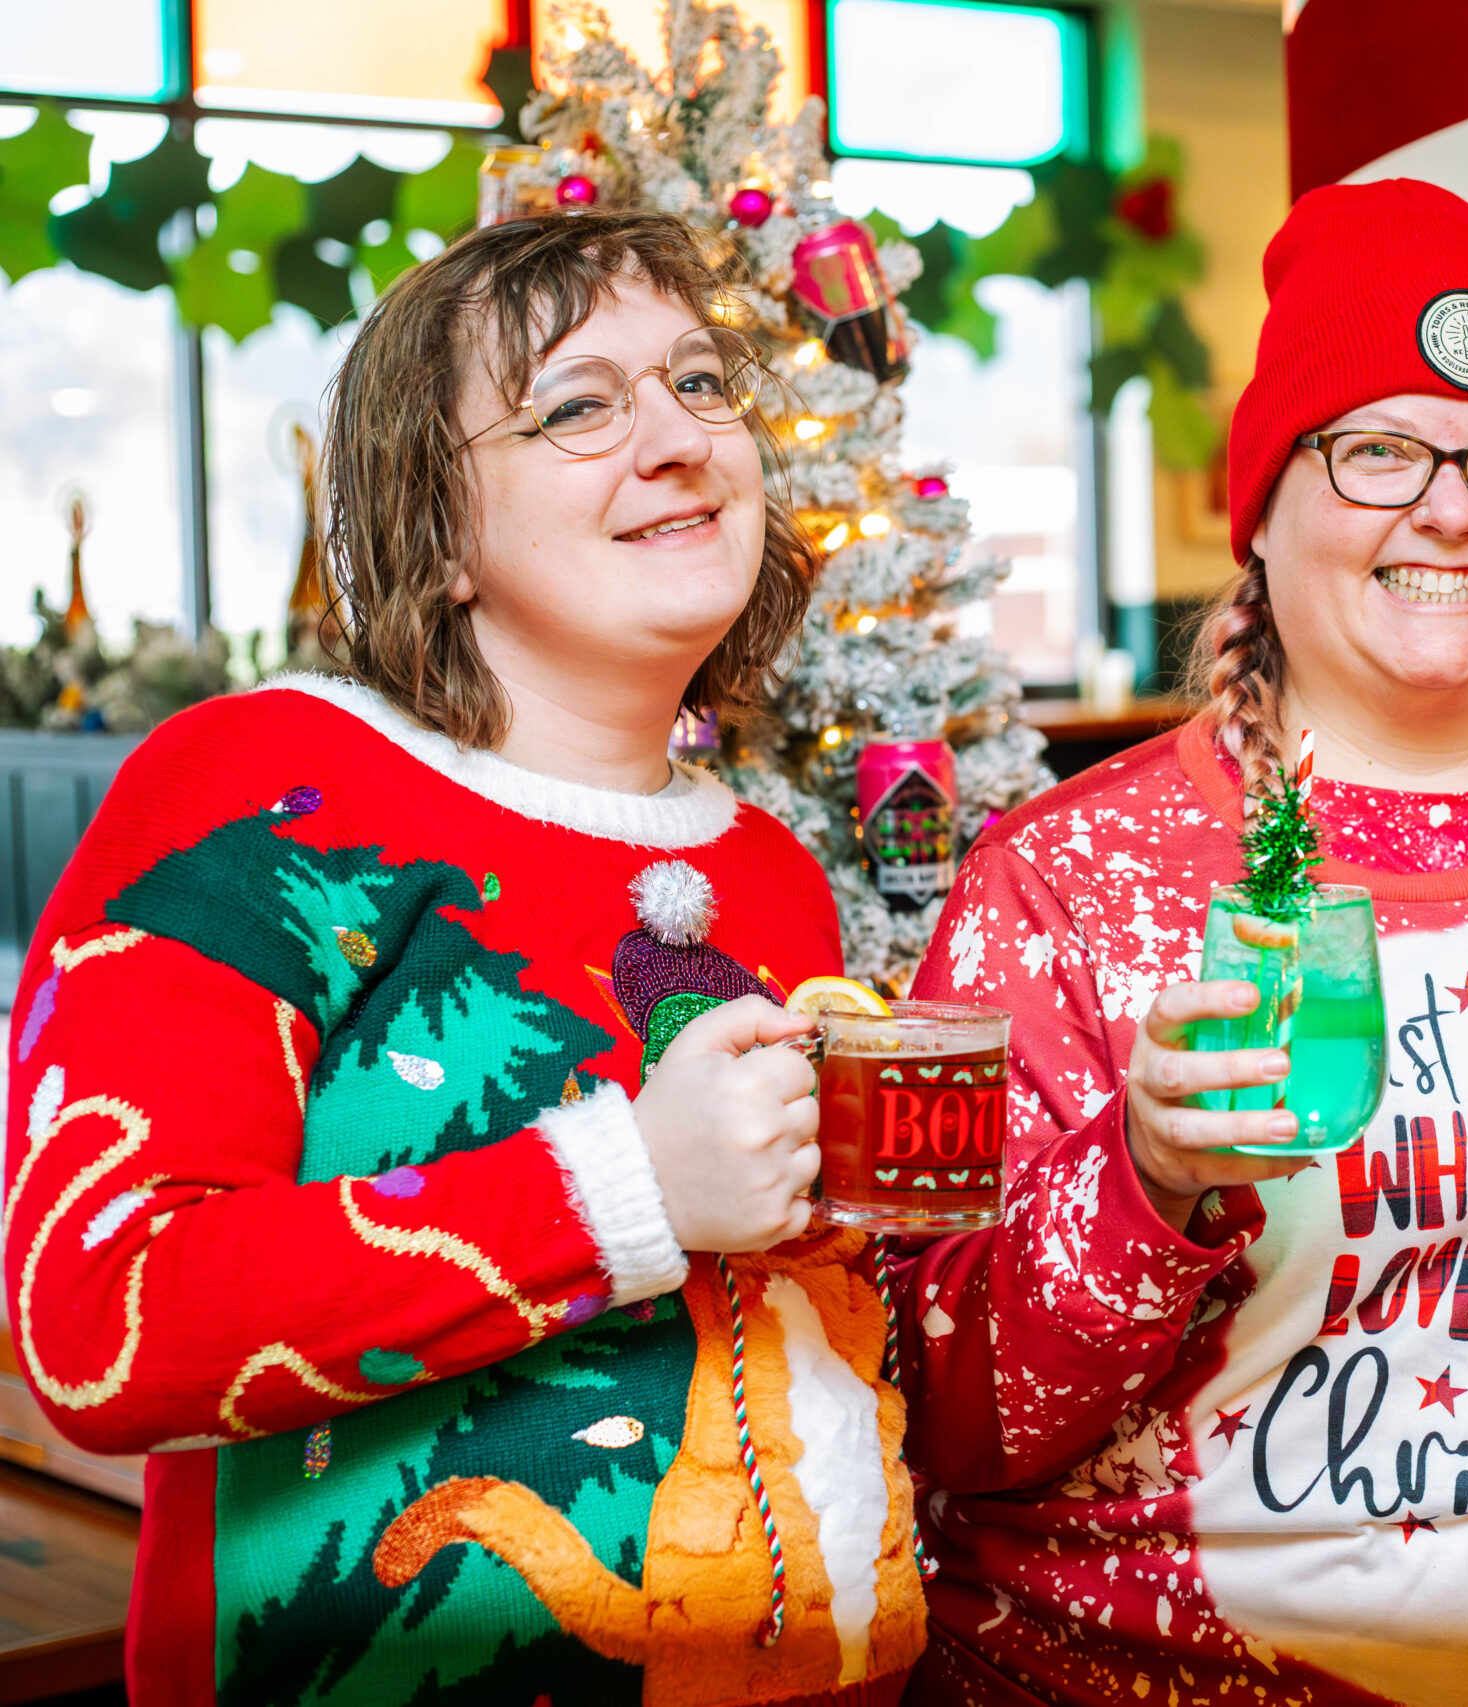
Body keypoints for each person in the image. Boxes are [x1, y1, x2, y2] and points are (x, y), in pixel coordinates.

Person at [892, 179, 1468, 1706]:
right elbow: (935, 1405)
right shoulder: (1065, 872)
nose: (1451, 509)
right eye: (1380, 450)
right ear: (1265, 505)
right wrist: (1146, 1180)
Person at [8, 210, 925, 1705]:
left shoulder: (767, 868)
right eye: (577, 406)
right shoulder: (265, 789)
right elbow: (100, 1322)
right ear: (435, 535)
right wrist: (630, 1184)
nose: (682, 438)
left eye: (702, 384)